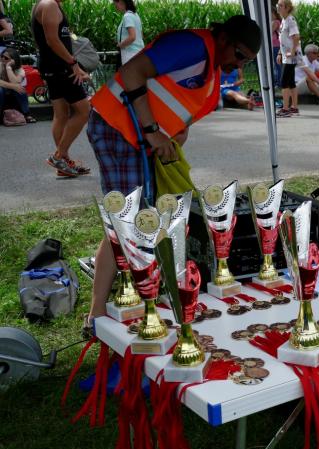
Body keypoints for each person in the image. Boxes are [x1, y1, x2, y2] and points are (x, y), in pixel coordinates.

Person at [84, 14, 261, 334]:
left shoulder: (211, 63)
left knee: (131, 219)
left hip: (136, 138)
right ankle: (98, 317)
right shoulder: (192, 46)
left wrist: (175, 133)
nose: (239, 65)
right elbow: (132, 72)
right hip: (118, 128)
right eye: (239, 55)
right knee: (126, 220)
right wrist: (153, 131)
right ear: (223, 38)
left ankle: (131, 301)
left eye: (247, 61)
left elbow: (178, 105)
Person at [32, 0, 91, 178]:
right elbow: (52, 40)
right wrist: (73, 63)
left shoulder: (49, 4)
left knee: (61, 114)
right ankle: (58, 156)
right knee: (84, 110)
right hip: (60, 67)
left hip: (54, 66)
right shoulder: (49, 4)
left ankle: (63, 162)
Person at [276, 0, 301, 117]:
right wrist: (280, 53)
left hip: (291, 56)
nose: (278, 7)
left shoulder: (290, 20)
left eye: (281, 5)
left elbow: (296, 37)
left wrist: (292, 52)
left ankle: (285, 109)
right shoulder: (284, 20)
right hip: (286, 55)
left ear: (287, 8)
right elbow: (283, 40)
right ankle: (294, 107)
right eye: (278, 5)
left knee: (284, 82)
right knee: (290, 82)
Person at [0, 47, 35, 123]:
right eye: (1, 56)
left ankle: (26, 114)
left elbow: (16, 83)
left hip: (13, 93)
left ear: (13, 60)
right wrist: (12, 86)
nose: (2, 59)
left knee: (21, 90)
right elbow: (14, 85)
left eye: (6, 58)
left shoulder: (20, 70)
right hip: (2, 92)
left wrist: (8, 68)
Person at [114, 0, 143, 65]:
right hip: (139, 52)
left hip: (130, 54)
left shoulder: (127, 16)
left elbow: (132, 37)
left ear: (121, 2)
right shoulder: (136, 15)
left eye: (115, 5)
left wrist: (120, 45)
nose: (115, 7)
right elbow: (141, 36)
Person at [271, 8, 281, 88]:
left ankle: (279, 83)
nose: (270, 15)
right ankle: (276, 82)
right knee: (275, 65)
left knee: (277, 65)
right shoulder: (273, 22)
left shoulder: (276, 22)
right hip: (273, 46)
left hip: (276, 46)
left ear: (275, 14)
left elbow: (269, 31)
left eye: (271, 13)